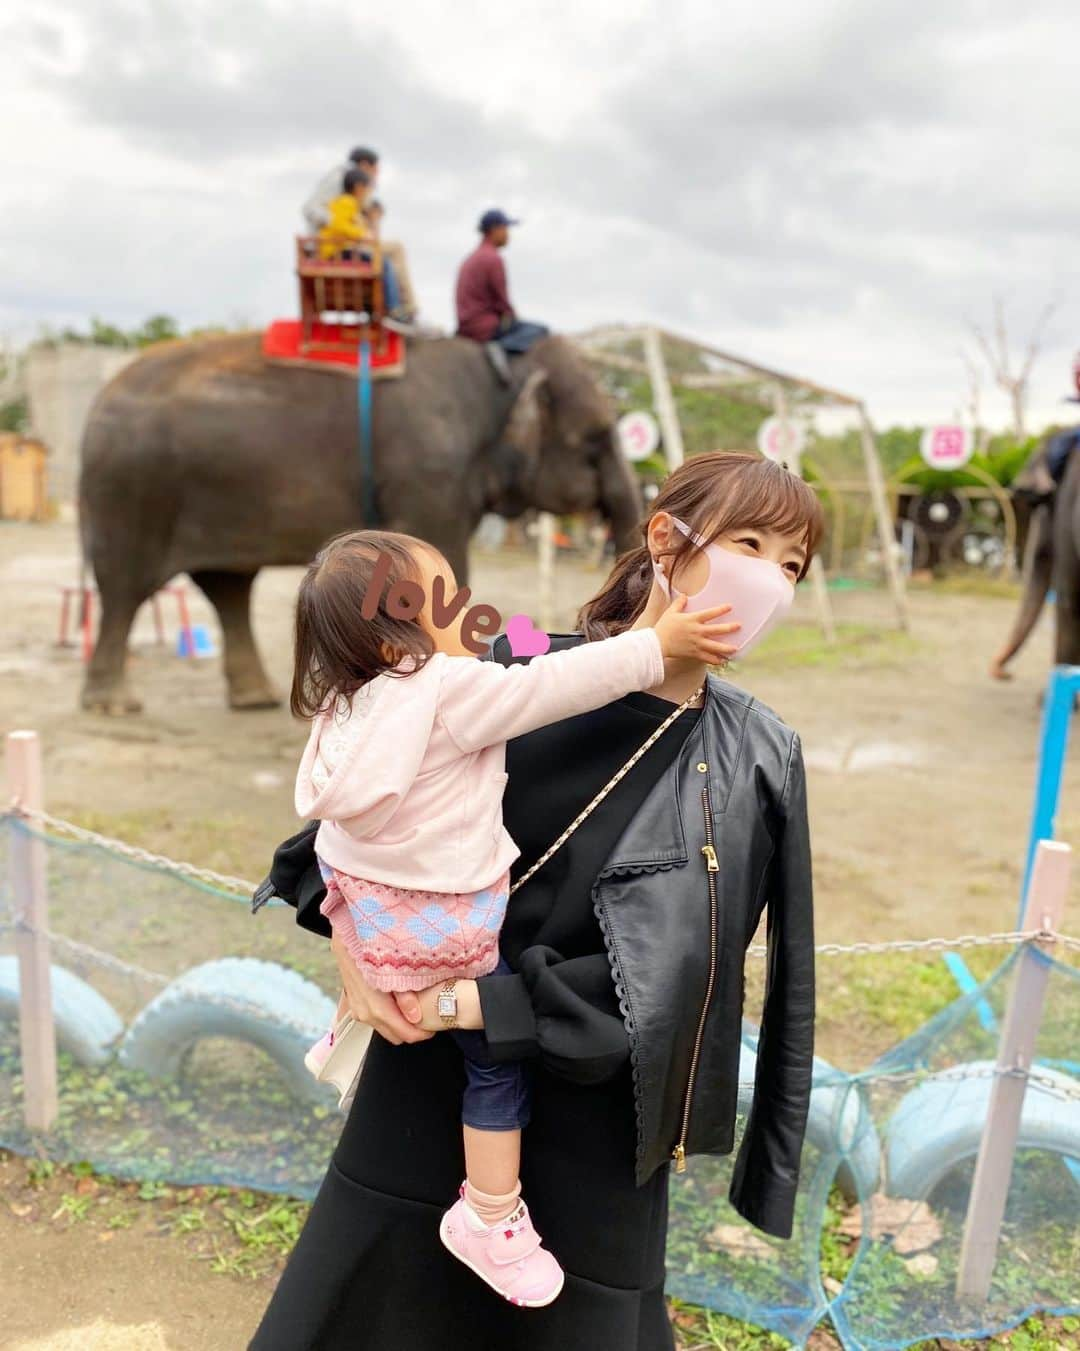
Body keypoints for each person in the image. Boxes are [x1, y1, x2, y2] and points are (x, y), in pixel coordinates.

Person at [250, 451, 822, 1351]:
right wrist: (353, 954)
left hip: (594, 1132)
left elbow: (682, 983)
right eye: (751, 543)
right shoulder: (513, 670)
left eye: (792, 563)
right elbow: (339, 831)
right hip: (422, 1097)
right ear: (665, 540)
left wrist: (465, 1002)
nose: (773, 580)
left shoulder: (758, 757)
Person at [291, 529, 736, 1308]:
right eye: (438, 592)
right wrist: (656, 645)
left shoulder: (349, 702)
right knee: (494, 1062)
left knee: (398, 958)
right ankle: (490, 1213)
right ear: (399, 621)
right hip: (448, 928)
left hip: (365, 907)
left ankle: (354, 1021)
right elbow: (551, 683)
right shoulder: (446, 691)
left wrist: (515, 636)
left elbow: (516, 646)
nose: (457, 603)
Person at [303, 146, 420, 318]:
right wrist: (343, 228)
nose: (375, 176)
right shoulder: (340, 181)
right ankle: (404, 307)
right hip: (335, 246)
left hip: (345, 242)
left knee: (390, 253)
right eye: (375, 170)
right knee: (394, 251)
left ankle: (402, 306)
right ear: (365, 165)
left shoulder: (351, 191)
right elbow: (311, 209)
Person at [455, 209, 550, 383]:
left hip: (465, 327)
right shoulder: (493, 259)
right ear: (494, 230)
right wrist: (513, 318)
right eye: (506, 228)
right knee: (541, 330)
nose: (508, 234)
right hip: (485, 328)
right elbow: (502, 303)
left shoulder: (470, 259)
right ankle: (501, 348)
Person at [318, 169, 415, 329]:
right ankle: (394, 309)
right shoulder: (346, 201)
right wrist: (361, 234)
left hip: (344, 250)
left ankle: (389, 307)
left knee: (380, 260)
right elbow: (337, 224)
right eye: (368, 188)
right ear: (358, 187)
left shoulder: (353, 207)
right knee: (384, 264)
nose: (369, 193)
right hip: (338, 252)